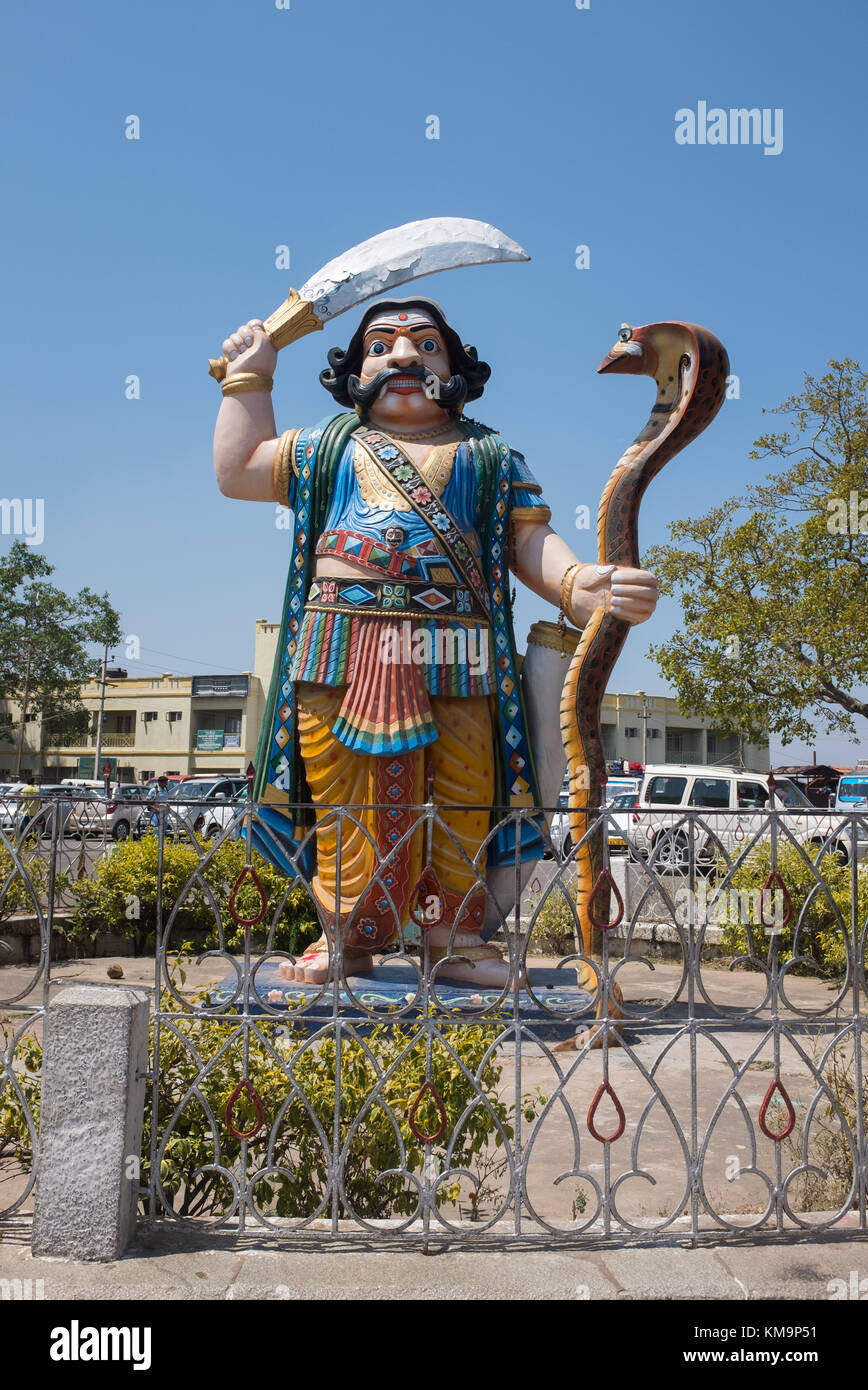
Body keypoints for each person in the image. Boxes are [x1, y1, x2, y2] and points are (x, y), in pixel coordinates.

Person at [213, 299, 659, 986]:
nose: (402, 356)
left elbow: (527, 540)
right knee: (344, 798)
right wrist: (250, 379)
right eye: (381, 344)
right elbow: (239, 468)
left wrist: (580, 584)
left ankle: (452, 937)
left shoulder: (488, 455)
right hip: (339, 643)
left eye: (425, 345)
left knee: (463, 792)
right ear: (352, 370)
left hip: (458, 647)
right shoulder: (324, 448)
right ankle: (346, 937)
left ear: (455, 368)